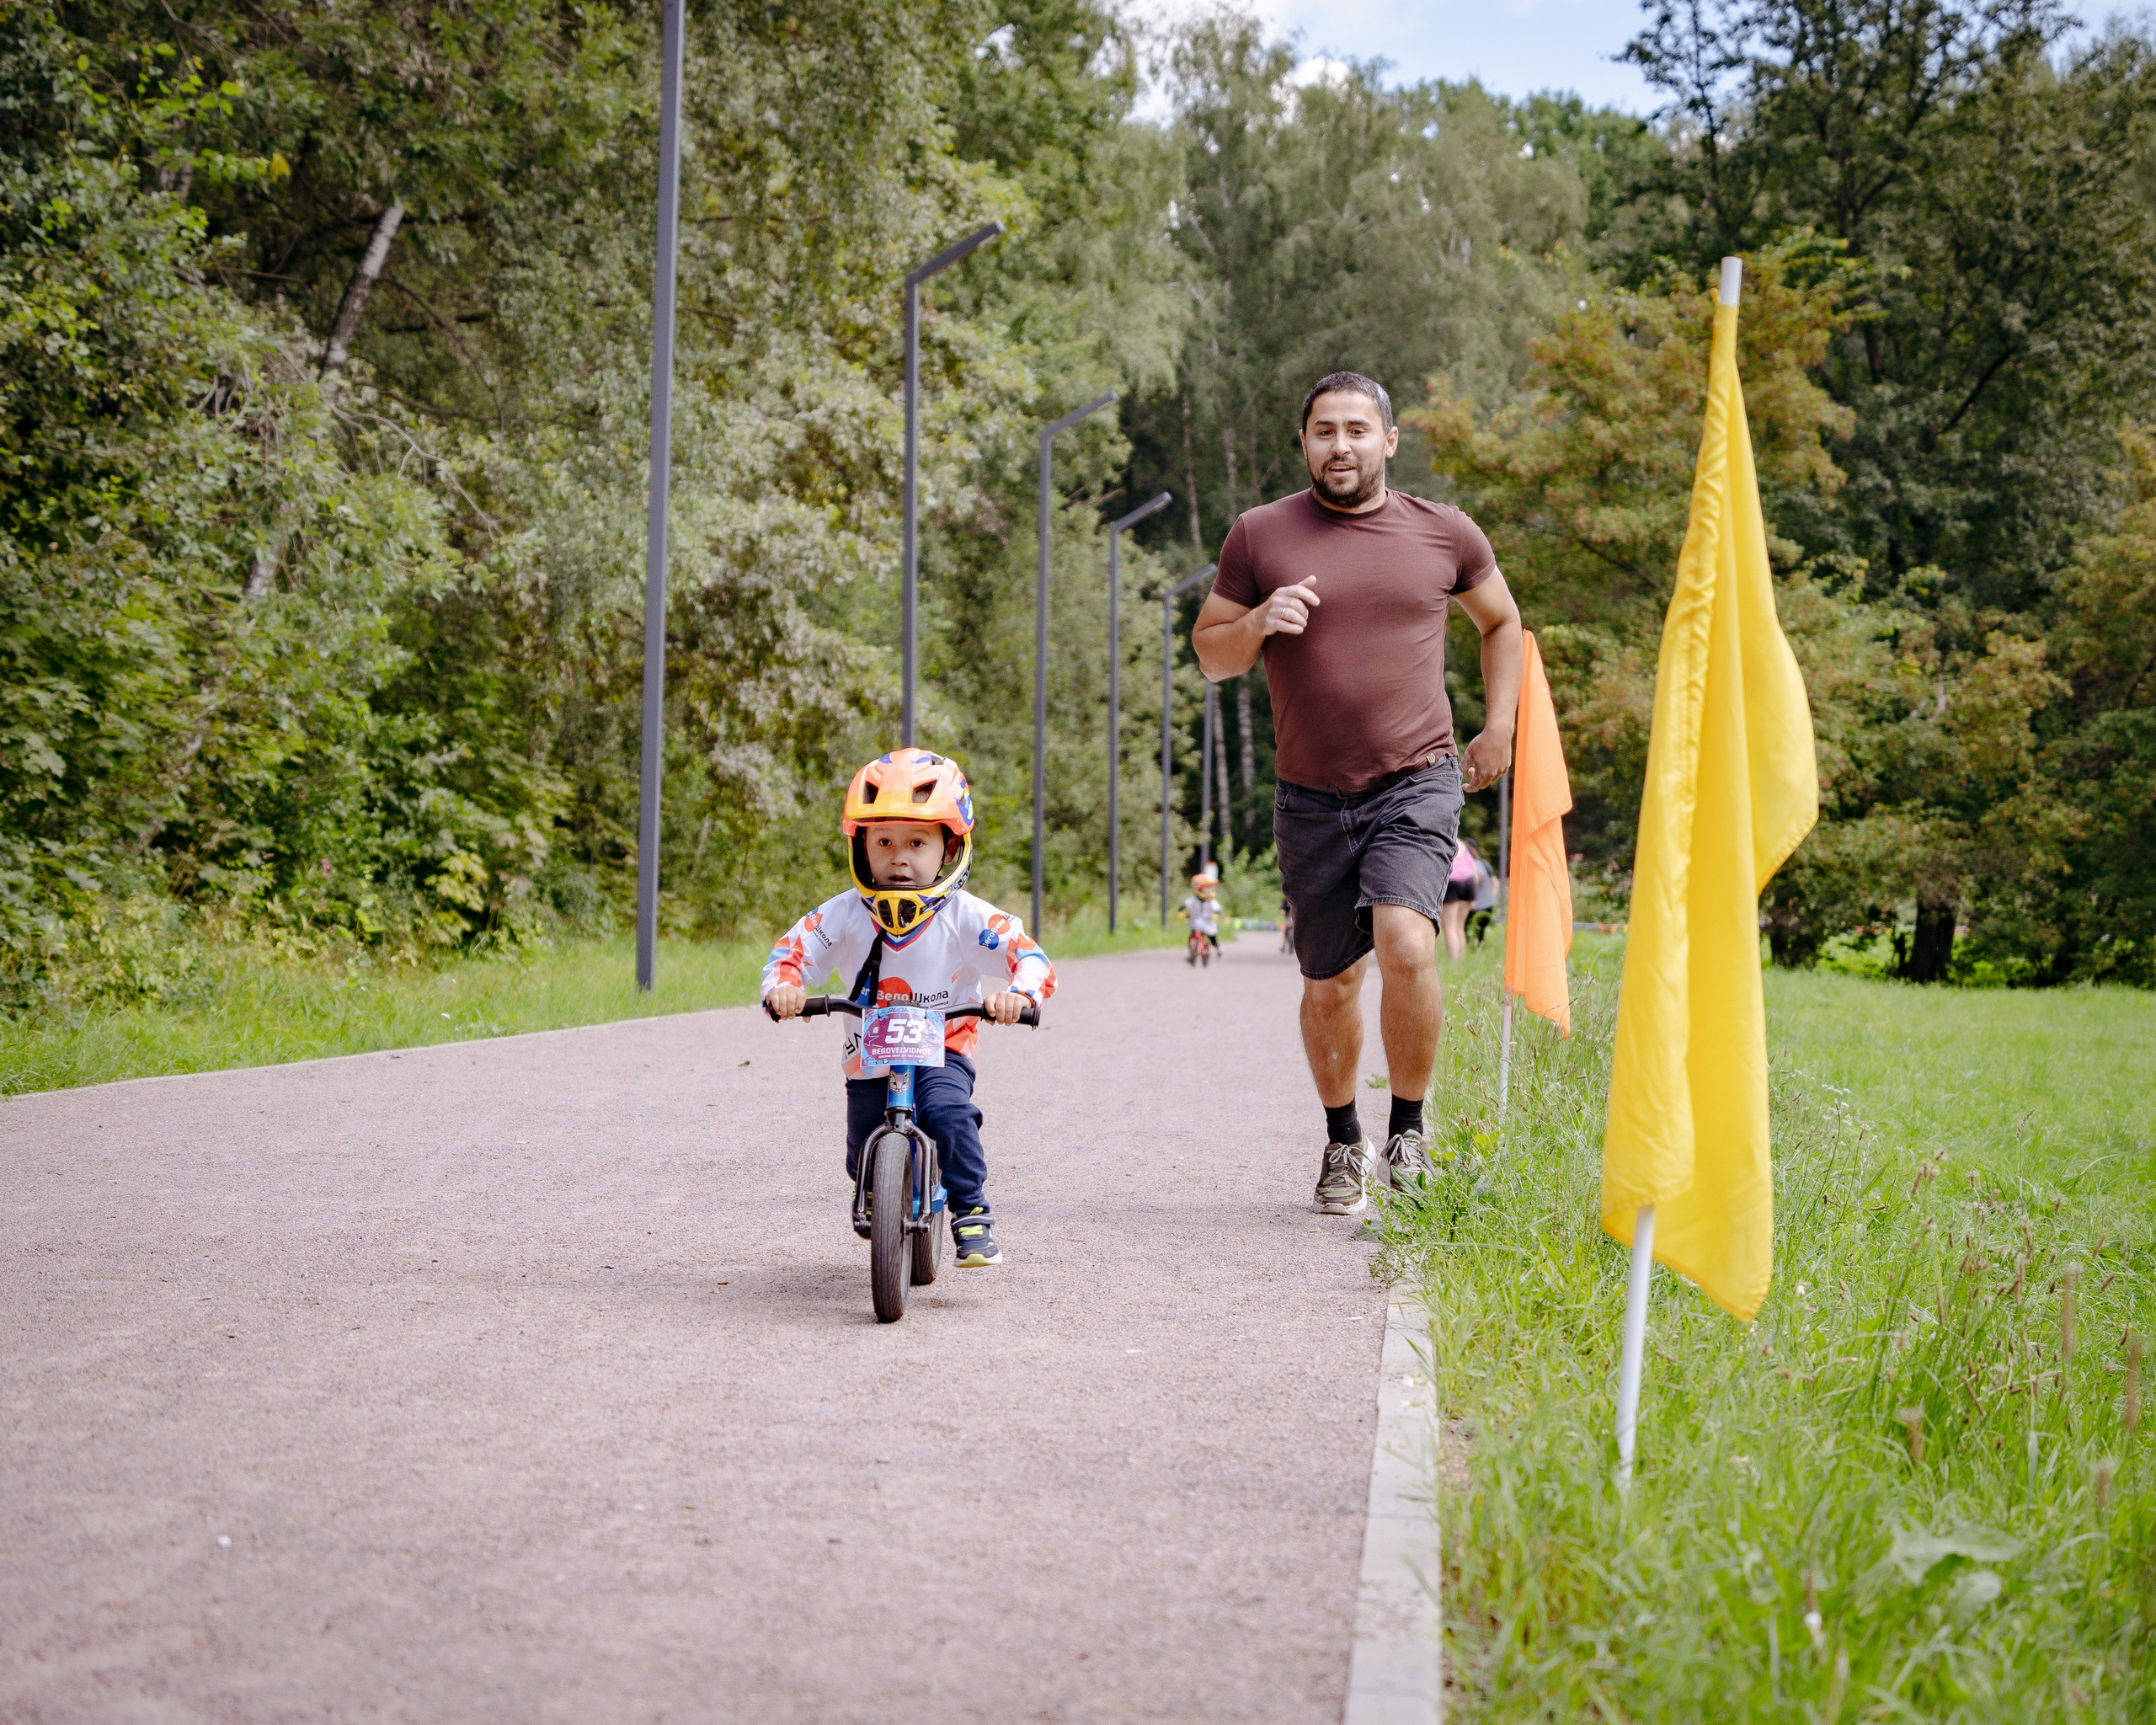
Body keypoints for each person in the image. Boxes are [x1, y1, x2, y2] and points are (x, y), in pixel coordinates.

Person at [1193, 370, 1522, 1215]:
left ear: (1388, 439)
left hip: (1414, 777)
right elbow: (1211, 653)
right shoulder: (1259, 535)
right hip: (1308, 795)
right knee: (1330, 982)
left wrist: (1500, 726)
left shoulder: (1443, 532)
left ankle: (1408, 1130)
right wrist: (1260, 620)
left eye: (1356, 429)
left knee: (1407, 942)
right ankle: (1344, 1141)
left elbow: (1500, 622)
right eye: (1324, 431)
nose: (1340, 445)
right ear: (1303, 443)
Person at [762, 748, 1054, 1267]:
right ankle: (883, 1190)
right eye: (884, 842)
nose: (899, 857)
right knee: (862, 1156)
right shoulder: (846, 913)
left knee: (948, 1114)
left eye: (917, 842)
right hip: (869, 1053)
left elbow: (1027, 955)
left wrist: (1019, 995)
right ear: (862, 847)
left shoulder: (967, 916)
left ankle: (971, 1211)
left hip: (944, 1045)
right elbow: (794, 953)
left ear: (948, 848)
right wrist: (784, 987)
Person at [1441, 840, 1481, 963]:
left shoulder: (1443, 841)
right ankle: (1460, 961)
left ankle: (1453, 962)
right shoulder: (1462, 844)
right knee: (1459, 927)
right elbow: (1475, 869)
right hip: (1469, 882)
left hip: (1453, 882)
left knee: (1449, 927)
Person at [1177, 872, 1223, 960]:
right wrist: (1180, 912)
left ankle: (1218, 947)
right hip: (1196, 921)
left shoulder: (1211, 901)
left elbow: (1217, 909)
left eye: (1210, 888)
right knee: (1193, 935)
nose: (1210, 890)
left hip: (1208, 921)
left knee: (1212, 937)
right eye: (1207, 888)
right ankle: (1192, 953)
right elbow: (1185, 905)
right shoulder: (1193, 900)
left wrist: (1216, 915)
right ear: (1200, 889)